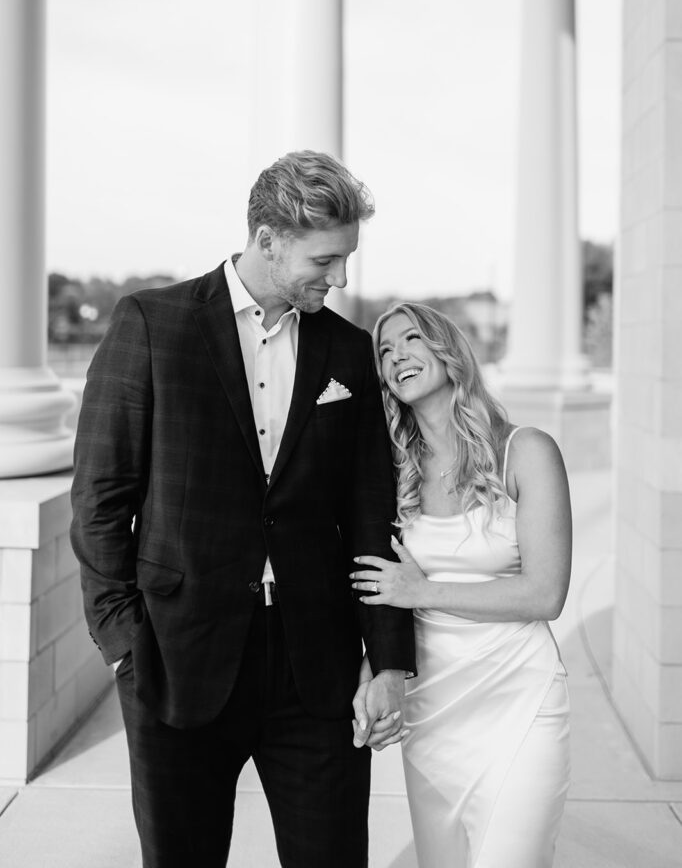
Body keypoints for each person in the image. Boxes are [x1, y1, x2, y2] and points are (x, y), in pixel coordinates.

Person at [70, 150, 415, 868]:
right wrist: (125, 648)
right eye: (326, 260)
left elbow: (370, 509)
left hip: (314, 667)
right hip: (176, 657)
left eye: (347, 259)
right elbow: (101, 499)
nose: (341, 278)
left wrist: (387, 659)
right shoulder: (152, 325)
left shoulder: (347, 352)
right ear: (268, 240)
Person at [350, 301, 571, 868]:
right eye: (385, 350)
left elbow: (544, 594)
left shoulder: (527, 451)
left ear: (448, 351)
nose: (397, 355)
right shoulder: (392, 470)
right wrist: (374, 676)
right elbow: (378, 589)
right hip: (431, 710)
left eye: (411, 340)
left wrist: (425, 592)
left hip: (519, 700)